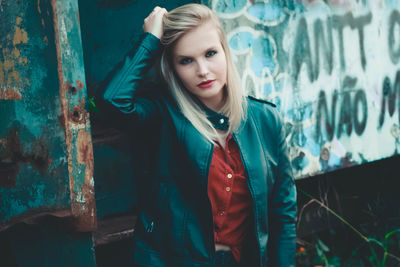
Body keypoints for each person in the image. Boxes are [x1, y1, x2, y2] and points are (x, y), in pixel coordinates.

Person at [102, 4, 297, 267]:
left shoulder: (265, 120)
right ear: (172, 67)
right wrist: (150, 41)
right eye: (186, 60)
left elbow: (282, 212)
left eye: (210, 53)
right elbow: (111, 102)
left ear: (225, 52)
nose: (202, 70)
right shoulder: (163, 116)